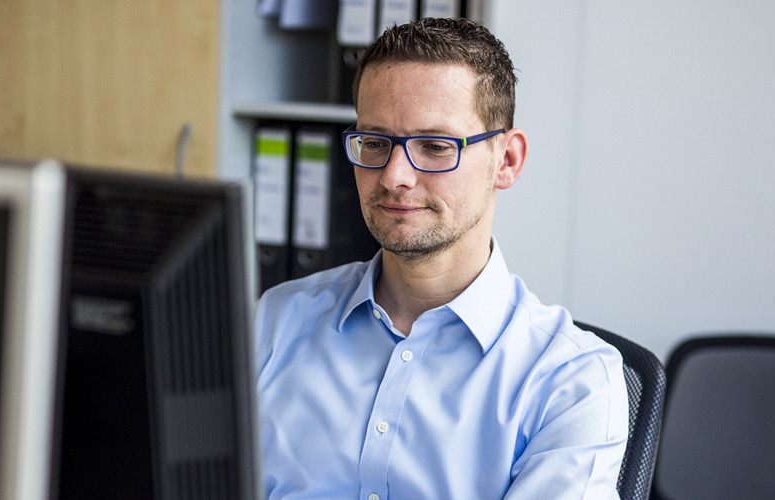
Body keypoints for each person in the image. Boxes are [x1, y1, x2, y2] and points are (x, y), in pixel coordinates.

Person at [255, 17, 628, 499]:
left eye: (434, 146)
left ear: (507, 161)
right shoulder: (273, 323)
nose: (394, 177)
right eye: (374, 142)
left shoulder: (570, 382)